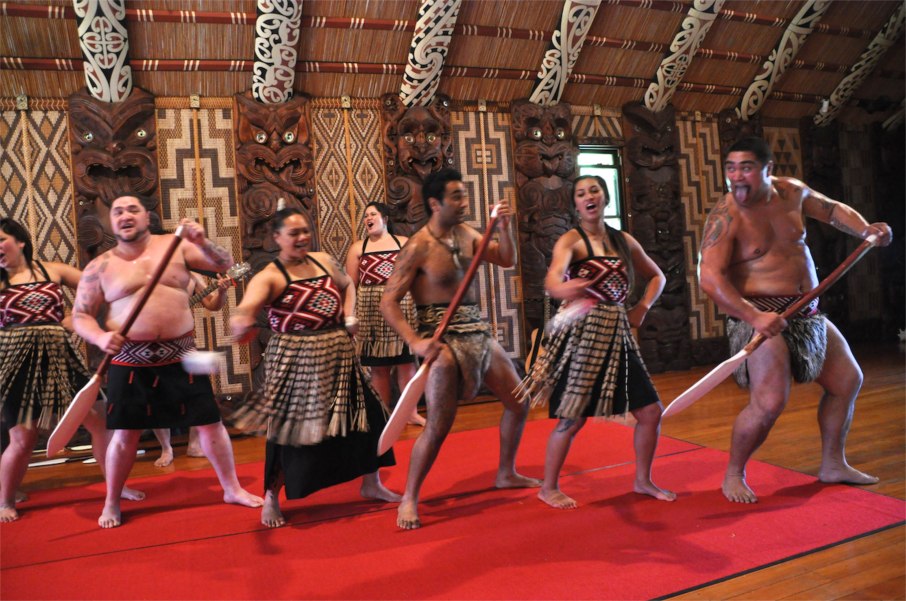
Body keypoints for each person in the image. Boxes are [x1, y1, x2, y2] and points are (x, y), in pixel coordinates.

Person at [698, 136, 893, 504]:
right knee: (770, 402)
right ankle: (734, 472)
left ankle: (833, 463)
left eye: (746, 167)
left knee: (847, 380)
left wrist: (866, 229)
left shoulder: (792, 193)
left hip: (808, 312)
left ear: (768, 170)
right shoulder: (725, 216)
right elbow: (709, 278)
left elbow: (833, 210)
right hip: (759, 316)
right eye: (730, 168)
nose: (737, 176)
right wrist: (754, 316)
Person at [72, 196, 263, 528]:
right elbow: (81, 317)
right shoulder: (99, 267)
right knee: (125, 436)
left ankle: (231, 488)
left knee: (210, 424)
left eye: (133, 210)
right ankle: (112, 501)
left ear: (147, 216)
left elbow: (223, 262)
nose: (125, 216)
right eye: (118, 212)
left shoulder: (176, 247)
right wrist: (101, 337)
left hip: (182, 356)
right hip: (130, 361)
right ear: (110, 223)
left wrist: (201, 240)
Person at [380, 168, 540, 530]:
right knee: (439, 424)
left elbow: (505, 259)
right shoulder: (417, 246)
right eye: (456, 196)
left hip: (477, 330)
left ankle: (506, 472)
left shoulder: (467, 234)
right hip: (441, 336)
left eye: (464, 195)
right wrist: (415, 342)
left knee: (520, 401)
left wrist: (503, 230)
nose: (464, 202)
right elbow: (388, 302)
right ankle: (409, 497)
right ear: (435, 203)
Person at [230, 207, 399, 528]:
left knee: (369, 420)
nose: (302, 237)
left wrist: (349, 316)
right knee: (290, 435)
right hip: (297, 364)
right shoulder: (270, 276)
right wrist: (240, 322)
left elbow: (348, 284)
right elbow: (247, 308)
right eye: (293, 233)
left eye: (305, 231)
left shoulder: (323, 260)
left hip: (338, 355)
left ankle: (371, 482)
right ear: (277, 238)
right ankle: (271, 496)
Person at [519, 175, 674, 508]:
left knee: (650, 412)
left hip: (617, 334)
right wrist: (568, 289)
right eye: (581, 193)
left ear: (605, 198)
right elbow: (552, 281)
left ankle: (643, 480)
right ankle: (548, 487)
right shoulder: (571, 241)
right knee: (572, 419)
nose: (588, 196)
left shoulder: (623, 241)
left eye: (594, 190)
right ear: (575, 204)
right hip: (582, 336)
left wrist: (642, 308)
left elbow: (657, 276)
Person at [0, 218, 146, 522]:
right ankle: (4, 500)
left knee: (99, 422)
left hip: (59, 356)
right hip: (17, 363)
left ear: (20, 241)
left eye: (1, 240)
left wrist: (76, 317)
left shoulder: (51, 270)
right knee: (24, 439)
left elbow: (100, 286)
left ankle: (114, 488)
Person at [345, 202, 425, 427]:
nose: (368, 218)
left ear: (385, 218)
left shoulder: (404, 243)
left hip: (401, 307)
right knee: (378, 367)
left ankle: (410, 412)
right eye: (365, 215)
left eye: (373, 214)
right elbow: (350, 284)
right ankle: (382, 415)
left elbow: (416, 277)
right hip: (371, 312)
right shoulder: (358, 248)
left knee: (407, 364)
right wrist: (348, 315)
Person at [152, 272, 232, 467]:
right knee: (156, 397)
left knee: (197, 395)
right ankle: (166, 448)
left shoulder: (192, 275)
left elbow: (212, 304)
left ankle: (195, 445)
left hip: (184, 343)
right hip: (150, 344)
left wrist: (221, 291)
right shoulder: (147, 269)